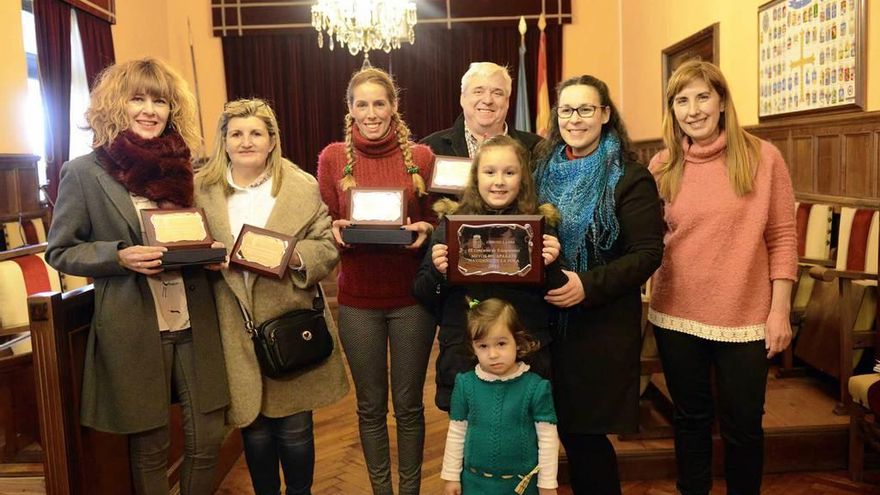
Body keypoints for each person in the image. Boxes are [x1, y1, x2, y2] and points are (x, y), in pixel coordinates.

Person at [45, 57, 229, 495]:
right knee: (151, 446)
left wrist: (210, 256)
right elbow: (60, 250)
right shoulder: (84, 172)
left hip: (193, 318)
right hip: (133, 324)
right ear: (116, 104)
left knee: (207, 439)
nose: (150, 110)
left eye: (160, 101)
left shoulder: (187, 168)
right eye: (138, 99)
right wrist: (120, 255)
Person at [647, 60, 797, 495]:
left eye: (702, 97)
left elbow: (783, 237)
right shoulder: (662, 165)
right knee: (690, 421)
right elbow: (649, 241)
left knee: (744, 426)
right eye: (681, 100)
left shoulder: (762, 157)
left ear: (722, 101)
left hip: (746, 316)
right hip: (676, 314)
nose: (693, 110)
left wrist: (780, 311)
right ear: (672, 110)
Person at [194, 98, 349, 495]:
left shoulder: (301, 186)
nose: (246, 142)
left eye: (256, 133)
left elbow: (327, 247)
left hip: (289, 320)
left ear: (271, 140)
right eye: (236, 134)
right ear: (224, 142)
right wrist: (204, 258)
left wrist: (293, 256)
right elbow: (184, 246)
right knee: (255, 430)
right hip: (231, 322)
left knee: (296, 431)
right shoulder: (200, 191)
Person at [533, 75, 665, 495]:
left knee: (586, 439)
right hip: (542, 325)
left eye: (586, 109)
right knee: (547, 432)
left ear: (605, 114)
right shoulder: (540, 170)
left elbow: (647, 255)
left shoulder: (630, 177)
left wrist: (586, 286)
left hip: (598, 328)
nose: (575, 119)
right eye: (567, 110)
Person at [316, 67, 436, 495]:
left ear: (394, 107)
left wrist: (424, 231)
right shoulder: (332, 157)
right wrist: (334, 229)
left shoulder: (420, 157)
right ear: (350, 109)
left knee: (407, 407)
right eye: (361, 104)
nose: (371, 112)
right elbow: (325, 222)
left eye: (379, 103)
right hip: (357, 301)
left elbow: (435, 220)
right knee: (369, 409)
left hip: (411, 301)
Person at [413, 135, 565, 412]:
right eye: (489, 172)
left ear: (523, 178)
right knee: (468, 440)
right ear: (476, 177)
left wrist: (552, 266)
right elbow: (422, 292)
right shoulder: (450, 226)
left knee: (525, 440)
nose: (499, 181)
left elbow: (558, 296)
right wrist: (437, 272)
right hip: (465, 355)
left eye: (509, 172)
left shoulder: (540, 227)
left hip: (526, 355)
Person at [440, 298, 559, 495]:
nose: (493, 354)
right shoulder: (465, 384)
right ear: (473, 347)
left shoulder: (536, 387)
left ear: (517, 341)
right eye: (483, 346)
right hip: (474, 484)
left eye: (501, 343)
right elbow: (456, 432)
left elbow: (547, 438)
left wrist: (547, 483)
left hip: (520, 486)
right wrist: (451, 476)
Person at [421, 62, 542, 162]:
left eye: (497, 93)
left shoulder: (538, 149)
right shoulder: (430, 149)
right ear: (462, 98)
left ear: (507, 101)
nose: (488, 100)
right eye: (478, 91)